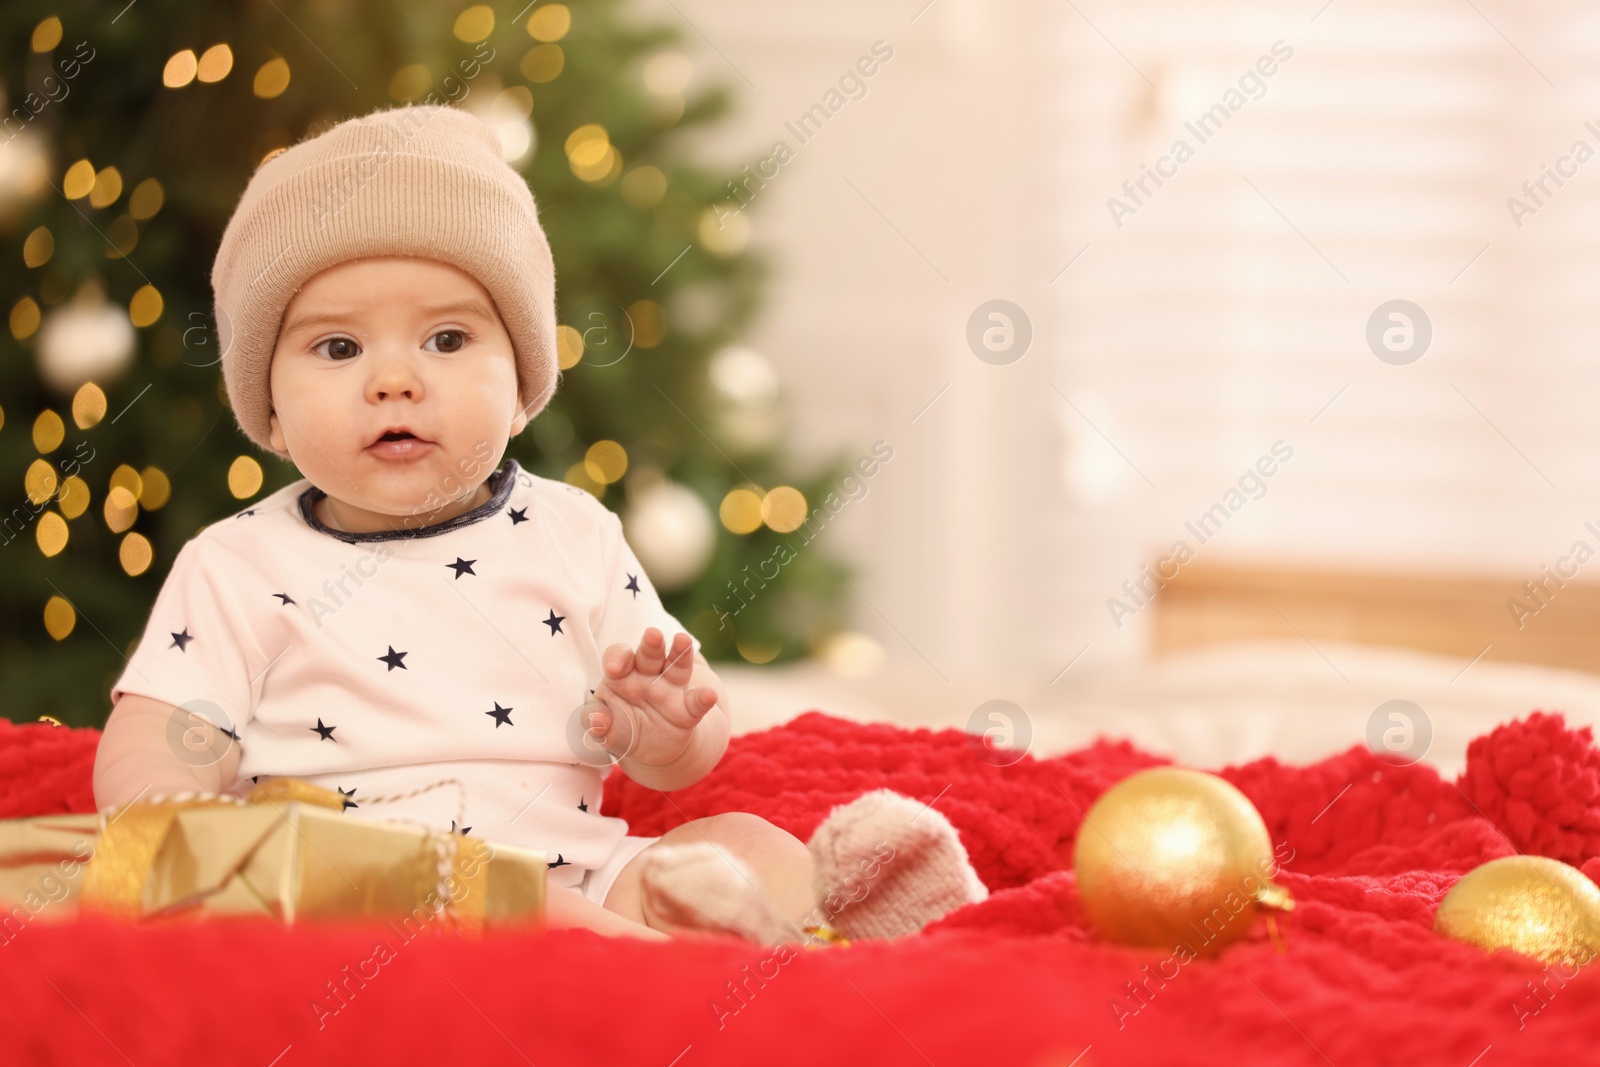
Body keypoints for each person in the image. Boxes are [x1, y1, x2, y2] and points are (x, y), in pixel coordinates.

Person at [91, 104, 987, 945]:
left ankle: (858, 919)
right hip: (373, 894)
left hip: (586, 873)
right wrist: (171, 808)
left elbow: (683, 755)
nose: (395, 380)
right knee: (531, 920)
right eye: (338, 347)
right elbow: (161, 733)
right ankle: (726, 957)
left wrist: (664, 728)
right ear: (271, 414)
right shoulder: (239, 566)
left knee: (741, 841)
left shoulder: (572, 532)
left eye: (446, 340)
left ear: (521, 388)